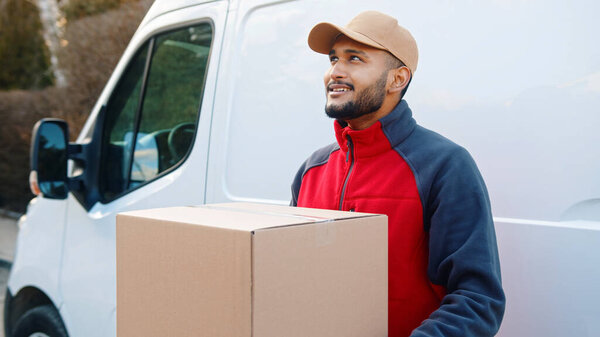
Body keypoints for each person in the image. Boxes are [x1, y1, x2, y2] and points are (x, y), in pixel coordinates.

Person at [290, 11, 505, 337]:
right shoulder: (312, 169)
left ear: (397, 79)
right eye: (334, 59)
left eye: (355, 59)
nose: (335, 71)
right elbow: (288, 275)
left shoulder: (446, 165)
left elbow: (477, 300)